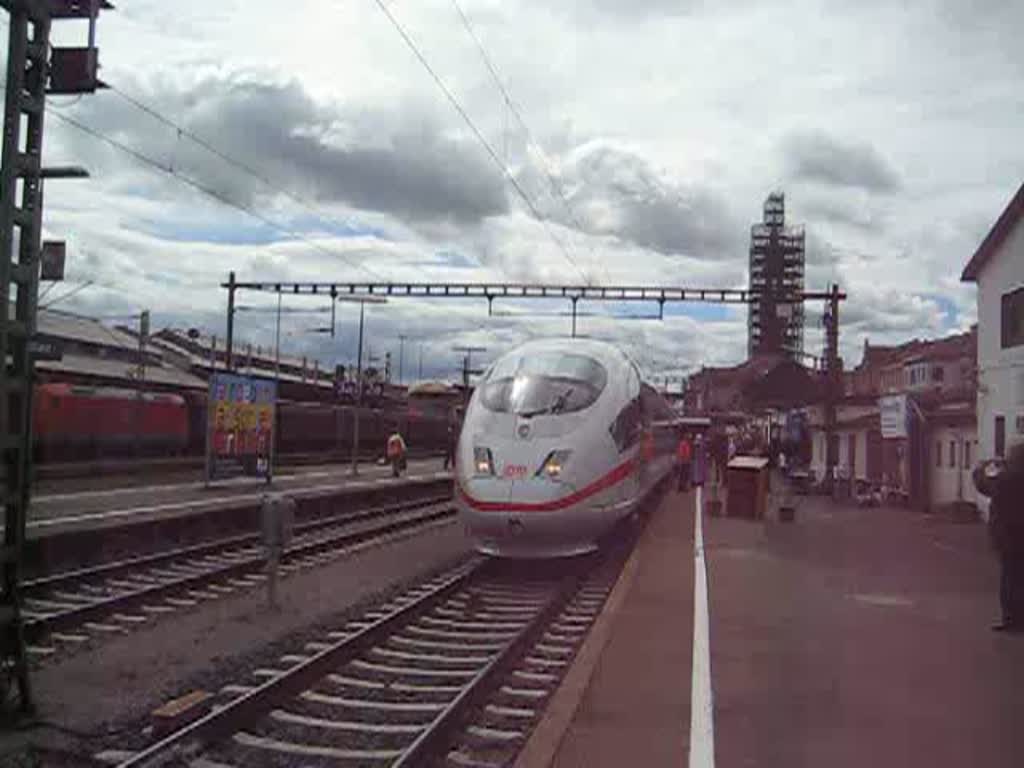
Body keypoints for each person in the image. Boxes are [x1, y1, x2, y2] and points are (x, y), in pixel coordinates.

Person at [975, 443, 1024, 632]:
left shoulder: (1006, 479)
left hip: (1008, 538)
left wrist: (981, 468)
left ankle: (1011, 620)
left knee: (1009, 580)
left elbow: (983, 485)